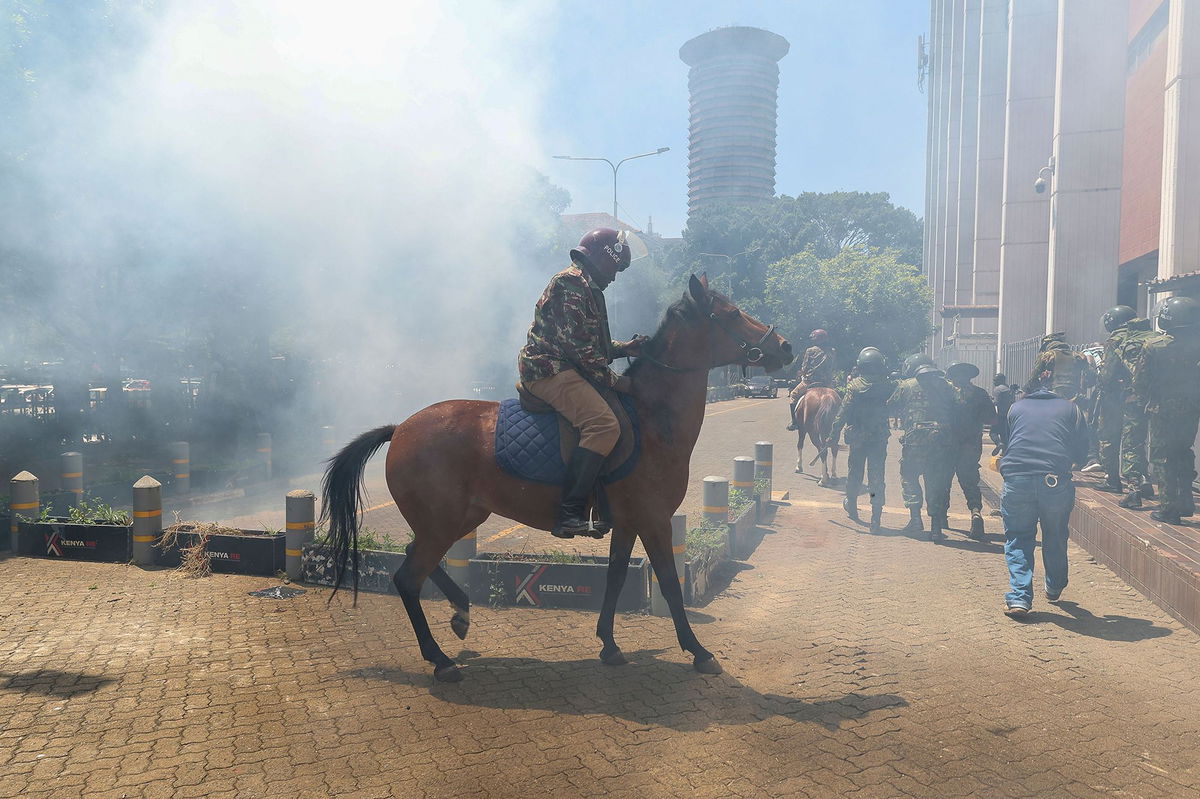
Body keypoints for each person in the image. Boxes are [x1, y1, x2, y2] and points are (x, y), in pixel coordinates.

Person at [518, 228, 647, 538]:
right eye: (615, 268)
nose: (615, 277)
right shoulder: (571, 283)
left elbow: (592, 344)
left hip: (566, 364)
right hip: (548, 369)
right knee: (603, 425)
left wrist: (623, 348)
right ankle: (569, 513)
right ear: (604, 259)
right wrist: (621, 383)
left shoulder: (587, 287)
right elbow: (581, 352)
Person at [999, 383, 1090, 617]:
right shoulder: (1072, 409)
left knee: (1018, 537)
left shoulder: (1015, 407)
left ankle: (1020, 598)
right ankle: (1055, 584)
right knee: (1055, 534)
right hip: (1055, 481)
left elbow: (1009, 441)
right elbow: (1082, 450)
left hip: (1017, 479)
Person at [1134, 296, 1200, 524]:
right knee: (1184, 451)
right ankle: (1185, 502)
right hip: (1191, 409)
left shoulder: (1153, 346)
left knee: (1163, 457)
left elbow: (1140, 381)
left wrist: (1141, 401)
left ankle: (1168, 508)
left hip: (1162, 409)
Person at [888, 363, 957, 541]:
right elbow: (957, 406)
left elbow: (890, 405)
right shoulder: (946, 386)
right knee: (935, 482)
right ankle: (936, 527)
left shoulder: (906, 385)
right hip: (940, 442)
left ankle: (915, 519)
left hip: (914, 442)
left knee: (909, 477)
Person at [834, 347, 896, 532]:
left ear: (861, 365)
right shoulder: (888, 386)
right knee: (877, 476)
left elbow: (843, 413)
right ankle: (876, 517)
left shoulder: (854, 386)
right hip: (878, 439)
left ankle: (851, 505)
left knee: (855, 473)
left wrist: (833, 433)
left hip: (858, 438)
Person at [946, 362, 997, 538]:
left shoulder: (946, 394)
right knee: (969, 481)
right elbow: (991, 419)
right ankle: (975, 511)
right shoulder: (980, 394)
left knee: (943, 480)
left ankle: (940, 518)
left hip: (947, 444)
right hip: (971, 445)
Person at [1094, 306, 1137, 492]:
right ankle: (1140, 482)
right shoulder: (1141, 336)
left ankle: (1112, 479)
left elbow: (1107, 375)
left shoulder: (1114, 340)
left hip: (1115, 399)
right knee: (1135, 441)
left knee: (1109, 438)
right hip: (1139, 398)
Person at [787, 329, 837, 431]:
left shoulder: (810, 350)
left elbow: (805, 367)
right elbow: (833, 367)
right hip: (827, 382)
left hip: (810, 381)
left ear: (816, 339)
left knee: (793, 395)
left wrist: (803, 373)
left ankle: (794, 422)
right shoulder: (832, 351)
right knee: (837, 399)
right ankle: (838, 421)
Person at [1024, 331, 1093, 403]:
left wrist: (1026, 393)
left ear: (1048, 344)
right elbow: (1091, 378)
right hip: (1074, 398)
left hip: (1053, 397)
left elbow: (1033, 379)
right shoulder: (1078, 356)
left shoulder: (1048, 355)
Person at [990, 373, 1015, 454]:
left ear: (1000, 380)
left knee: (993, 433)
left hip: (1000, 416)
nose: (994, 381)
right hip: (1009, 416)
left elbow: (996, 403)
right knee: (1004, 435)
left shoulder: (998, 389)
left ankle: (998, 443)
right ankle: (1005, 453)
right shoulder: (1008, 389)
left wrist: (990, 400)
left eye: (995, 380)